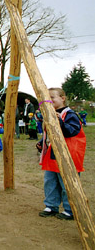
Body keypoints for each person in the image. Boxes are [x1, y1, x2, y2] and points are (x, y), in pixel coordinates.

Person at [37, 88, 86, 221]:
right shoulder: (50, 114)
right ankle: (51, 205)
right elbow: (50, 133)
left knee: (67, 183)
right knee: (50, 181)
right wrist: (42, 142)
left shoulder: (70, 115)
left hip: (68, 154)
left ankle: (70, 209)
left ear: (62, 98)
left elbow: (72, 131)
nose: (49, 100)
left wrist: (61, 122)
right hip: (53, 154)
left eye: (52, 97)